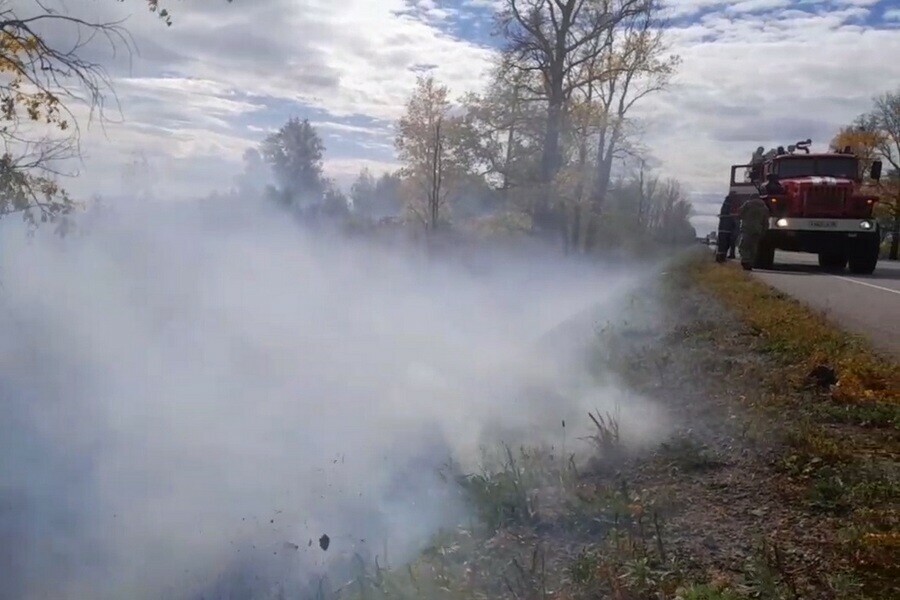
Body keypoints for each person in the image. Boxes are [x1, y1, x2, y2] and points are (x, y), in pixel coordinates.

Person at [738, 196, 770, 270]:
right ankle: (750, 262)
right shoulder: (765, 208)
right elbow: (766, 222)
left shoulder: (747, 204)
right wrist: (764, 231)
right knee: (753, 247)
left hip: (747, 228)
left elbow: (740, 213)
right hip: (757, 230)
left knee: (743, 245)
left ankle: (745, 260)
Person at [715, 194, 738, 262]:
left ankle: (721, 257)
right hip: (727, 230)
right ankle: (721, 257)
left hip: (723, 230)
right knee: (725, 244)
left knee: (722, 245)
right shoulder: (728, 206)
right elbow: (729, 216)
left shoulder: (725, 206)